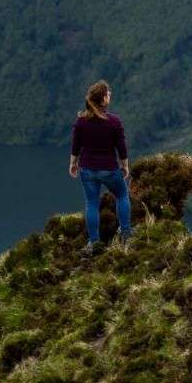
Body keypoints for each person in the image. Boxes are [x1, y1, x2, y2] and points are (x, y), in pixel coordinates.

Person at [69, 80, 133, 253]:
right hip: (109, 169)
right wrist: (125, 166)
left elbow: (76, 145)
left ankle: (94, 242)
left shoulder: (81, 122)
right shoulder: (114, 121)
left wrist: (73, 164)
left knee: (91, 203)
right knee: (121, 194)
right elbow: (122, 147)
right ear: (103, 99)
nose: (110, 94)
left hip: (88, 170)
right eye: (108, 93)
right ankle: (126, 233)